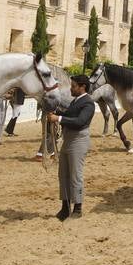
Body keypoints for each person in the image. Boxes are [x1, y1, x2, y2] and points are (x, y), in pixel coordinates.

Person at [49, 74, 95, 220]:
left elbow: (80, 121)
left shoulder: (89, 103)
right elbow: (68, 114)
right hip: (69, 139)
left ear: (83, 87)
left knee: (76, 175)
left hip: (78, 140)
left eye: (74, 86)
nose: (71, 88)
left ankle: (78, 207)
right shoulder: (77, 101)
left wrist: (59, 118)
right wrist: (54, 112)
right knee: (63, 174)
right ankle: (65, 206)